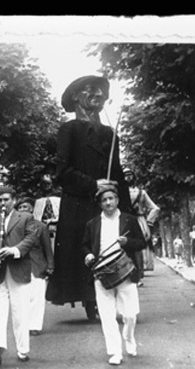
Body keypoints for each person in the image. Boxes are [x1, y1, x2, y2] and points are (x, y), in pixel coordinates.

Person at [45, 75, 131, 319]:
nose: (98, 93)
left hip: (107, 205)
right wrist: (93, 184)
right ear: (75, 97)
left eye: (102, 90)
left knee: (112, 248)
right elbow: (62, 174)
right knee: (86, 252)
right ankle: (91, 302)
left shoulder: (110, 133)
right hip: (79, 205)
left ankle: (113, 298)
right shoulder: (68, 130)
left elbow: (119, 175)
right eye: (90, 89)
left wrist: (128, 213)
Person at [82, 185, 146, 365]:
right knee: (106, 314)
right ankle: (115, 351)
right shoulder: (92, 224)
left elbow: (141, 243)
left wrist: (127, 242)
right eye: (104, 200)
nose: (108, 202)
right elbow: (85, 245)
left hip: (125, 270)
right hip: (102, 273)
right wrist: (88, 255)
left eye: (111, 198)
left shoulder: (129, 220)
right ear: (100, 204)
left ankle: (128, 336)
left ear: (117, 200)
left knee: (131, 314)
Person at [0, 186, 37, 366]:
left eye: (6, 199)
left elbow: (31, 238)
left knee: (20, 312)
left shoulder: (26, 217)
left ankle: (22, 349)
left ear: (14, 200)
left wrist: (15, 250)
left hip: (18, 268)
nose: (3, 203)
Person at [16, 197, 54, 336]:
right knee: (22, 297)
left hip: (38, 265)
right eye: (20, 208)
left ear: (31, 209)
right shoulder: (15, 227)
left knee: (37, 298)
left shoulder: (41, 227)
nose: (23, 210)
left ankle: (34, 326)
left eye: (25, 207)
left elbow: (47, 248)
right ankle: (23, 324)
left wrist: (50, 265)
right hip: (20, 266)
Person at [123, 168, 160, 285]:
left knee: (137, 248)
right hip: (124, 220)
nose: (128, 178)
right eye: (125, 175)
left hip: (138, 220)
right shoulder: (118, 192)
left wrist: (148, 222)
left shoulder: (141, 193)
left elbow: (155, 208)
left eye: (130, 175)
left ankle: (137, 276)